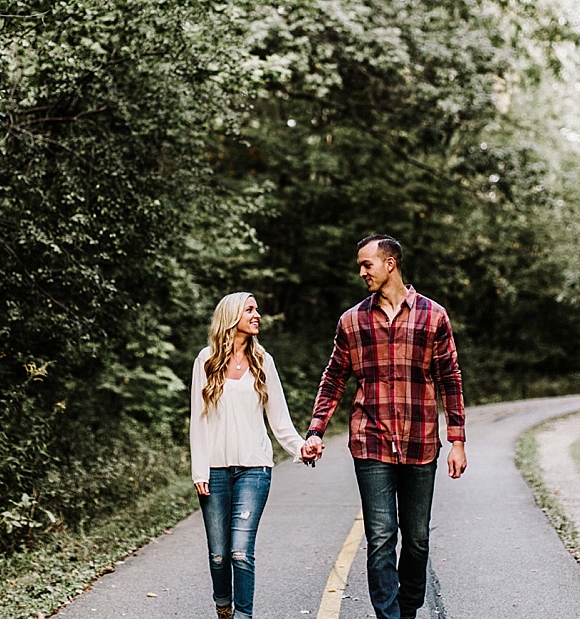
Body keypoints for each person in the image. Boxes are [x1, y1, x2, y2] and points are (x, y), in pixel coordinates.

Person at [300, 235, 467, 620]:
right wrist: (316, 430)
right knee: (380, 537)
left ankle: (407, 609)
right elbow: (333, 379)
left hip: (420, 441)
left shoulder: (433, 316)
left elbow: (450, 379)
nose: (361, 272)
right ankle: (389, 617)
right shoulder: (352, 320)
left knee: (418, 539)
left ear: (390, 264)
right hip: (370, 442)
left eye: (366, 265)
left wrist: (457, 439)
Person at [190, 292, 306, 620]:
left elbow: (280, 420)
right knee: (218, 555)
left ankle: (244, 615)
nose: (258, 315)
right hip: (214, 471)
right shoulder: (206, 360)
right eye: (250, 310)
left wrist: (301, 447)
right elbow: (197, 420)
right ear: (231, 317)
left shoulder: (263, 361)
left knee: (240, 552)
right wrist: (199, 470)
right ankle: (223, 605)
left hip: (254, 470)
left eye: (257, 310)